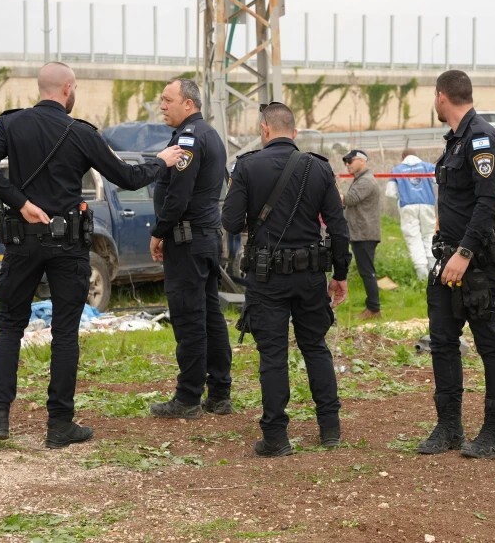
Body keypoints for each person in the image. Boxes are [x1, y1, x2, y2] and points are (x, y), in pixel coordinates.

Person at [0, 62, 183, 448]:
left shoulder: (10, 124)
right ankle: (59, 425)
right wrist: (161, 161)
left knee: (10, 327)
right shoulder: (81, 132)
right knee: (65, 332)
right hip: (67, 245)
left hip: (22, 243)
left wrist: (21, 203)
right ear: (67, 88)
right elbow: (127, 177)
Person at [222, 101, 351, 457]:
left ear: (264, 130)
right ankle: (330, 429)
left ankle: (276, 437)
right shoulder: (318, 167)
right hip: (310, 276)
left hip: (267, 278)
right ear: (294, 132)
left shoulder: (247, 166)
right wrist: (340, 274)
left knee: (273, 356)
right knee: (315, 347)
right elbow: (338, 227)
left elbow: (230, 222)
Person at [418, 69, 495, 461]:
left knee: (489, 341)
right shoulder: (455, 141)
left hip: (475, 262)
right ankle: (449, 427)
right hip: (448, 259)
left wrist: (465, 252)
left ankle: (494, 432)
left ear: (441, 96)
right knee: (442, 341)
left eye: (434, 96)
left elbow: (489, 202)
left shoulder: (481, 137)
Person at [149, 77, 232, 420]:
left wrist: (159, 231)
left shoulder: (188, 138)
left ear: (188, 103)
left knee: (189, 318)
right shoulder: (209, 134)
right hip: (205, 238)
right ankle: (220, 393)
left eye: (167, 99)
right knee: (211, 315)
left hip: (187, 240)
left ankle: (187, 398)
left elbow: (179, 194)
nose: (162, 106)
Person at [385, 148, 437, 281]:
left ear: (403, 157)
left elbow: (390, 193)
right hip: (427, 204)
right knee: (429, 235)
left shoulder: (397, 170)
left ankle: (422, 275)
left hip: (408, 205)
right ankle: (434, 270)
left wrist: (402, 195)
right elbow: (438, 180)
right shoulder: (428, 167)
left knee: (413, 238)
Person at [341, 149, 381, 319]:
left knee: (367, 272)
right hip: (362, 232)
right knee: (366, 271)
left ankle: (374, 309)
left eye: (350, 161)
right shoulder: (361, 179)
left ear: (362, 161)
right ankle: (373, 307)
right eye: (346, 162)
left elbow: (350, 199)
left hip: (365, 233)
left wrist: (331, 191)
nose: (347, 165)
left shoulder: (366, 181)